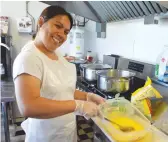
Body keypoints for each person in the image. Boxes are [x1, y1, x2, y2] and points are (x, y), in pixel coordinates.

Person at [13, 5, 105, 142]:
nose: (62, 34)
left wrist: (87, 96)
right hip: (45, 136)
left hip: (67, 133)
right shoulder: (29, 58)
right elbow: (29, 106)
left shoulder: (57, 54)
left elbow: (62, 90)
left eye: (66, 32)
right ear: (40, 22)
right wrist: (78, 106)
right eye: (58, 26)